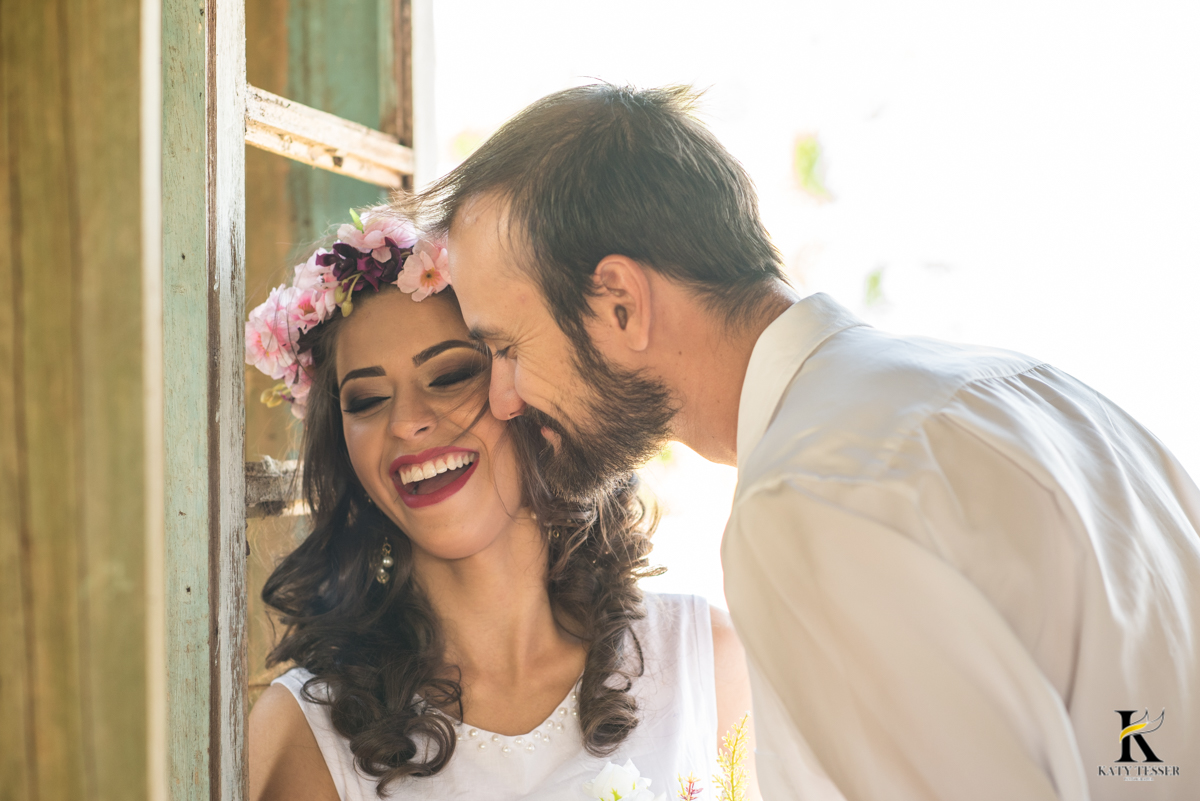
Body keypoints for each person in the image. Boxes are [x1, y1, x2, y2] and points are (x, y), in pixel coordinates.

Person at [404, 84, 1200, 800]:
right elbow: (1149, 741)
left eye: (506, 347)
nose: (501, 398)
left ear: (619, 303)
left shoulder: (810, 497)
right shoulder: (1052, 399)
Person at [244, 210, 760, 801]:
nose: (407, 422)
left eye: (450, 375)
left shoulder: (707, 662)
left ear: (529, 394)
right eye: (366, 399)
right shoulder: (306, 735)